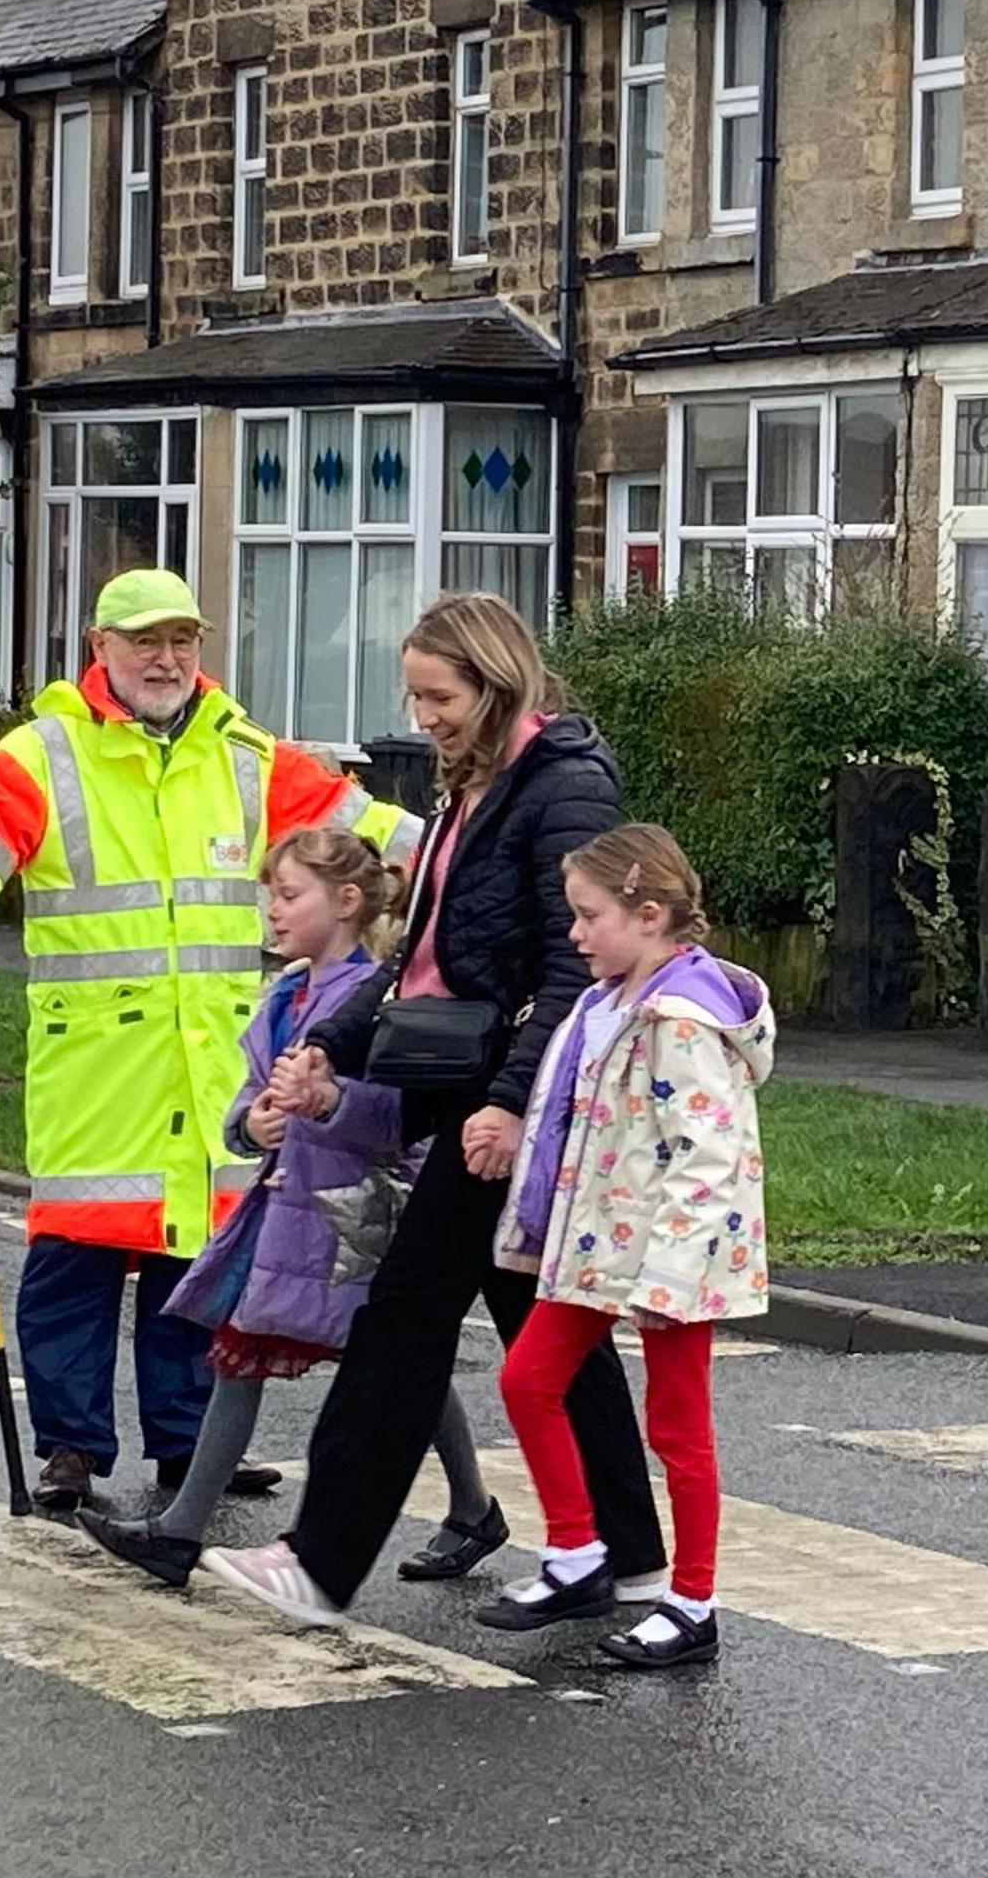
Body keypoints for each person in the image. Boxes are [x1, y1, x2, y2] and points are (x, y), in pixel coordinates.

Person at [0, 569, 422, 1518]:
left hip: (222, 1062)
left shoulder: (249, 754)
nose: (168, 659)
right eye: (146, 641)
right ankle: (70, 1449)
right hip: (100, 1068)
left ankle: (189, 1447)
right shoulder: (46, 753)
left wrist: (467, 854)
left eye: (183, 641)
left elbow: (365, 830)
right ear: (101, 648)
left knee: (203, 1261)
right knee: (76, 1262)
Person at [200, 593, 665, 1628]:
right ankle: (629, 1563)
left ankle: (321, 1562)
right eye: (414, 696)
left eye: (439, 696)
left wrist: (508, 1107)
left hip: (507, 1105)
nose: (424, 718)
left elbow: (570, 970)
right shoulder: (475, 785)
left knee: (404, 1317)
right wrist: (329, 1048)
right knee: (553, 1336)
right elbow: (420, 959)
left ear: (496, 684)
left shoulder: (565, 789)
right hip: (468, 1094)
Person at [79, 827, 505, 1586]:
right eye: (269, 895)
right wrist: (252, 1125)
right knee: (246, 1356)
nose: (271, 911)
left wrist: (326, 1102)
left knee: (400, 1362)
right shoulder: (283, 995)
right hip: (286, 1213)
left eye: (288, 895)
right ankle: (179, 1533)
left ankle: (472, 1508)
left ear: (345, 903)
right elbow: (245, 1104)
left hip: (353, 1218)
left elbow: (394, 1124)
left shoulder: (377, 1003)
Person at [484, 824, 769, 1669]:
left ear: (649, 916)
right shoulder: (602, 1005)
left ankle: (693, 1603)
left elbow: (708, 1156)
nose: (575, 935)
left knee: (679, 1427)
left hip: (667, 1258)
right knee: (527, 1378)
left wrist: (671, 1273)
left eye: (588, 916)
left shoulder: (679, 1019)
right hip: (600, 1242)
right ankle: (576, 1553)